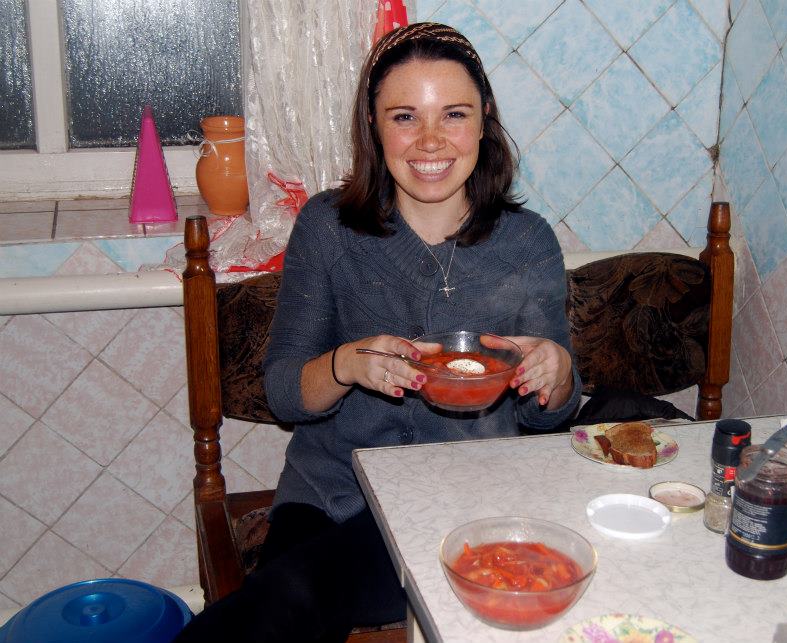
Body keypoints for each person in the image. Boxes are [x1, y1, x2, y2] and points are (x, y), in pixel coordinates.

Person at [175, 22, 581, 642]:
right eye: (404, 117)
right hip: (331, 495)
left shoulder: (527, 243)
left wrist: (556, 374)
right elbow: (284, 392)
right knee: (289, 599)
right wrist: (346, 364)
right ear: (373, 125)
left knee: (295, 594)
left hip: (465, 502)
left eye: (454, 114)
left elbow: (548, 415)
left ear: (484, 121)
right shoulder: (328, 228)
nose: (430, 140)